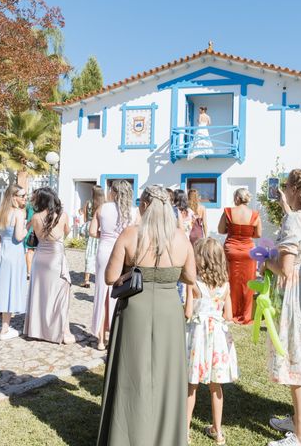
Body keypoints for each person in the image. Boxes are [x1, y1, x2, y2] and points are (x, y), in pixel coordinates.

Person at [97, 185, 196, 446]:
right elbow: (191, 276)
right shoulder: (180, 238)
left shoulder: (131, 235)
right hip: (168, 311)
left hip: (134, 309)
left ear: (143, 205)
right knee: (166, 376)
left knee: (132, 374)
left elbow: (109, 277)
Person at [264, 170, 301, 446]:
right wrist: (284, 207)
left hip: (295, 294)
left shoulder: (294, 220)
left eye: (287, 186)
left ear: (297, 189)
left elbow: (285, 269)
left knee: (297, 361)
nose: (284, 190)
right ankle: (299, 420)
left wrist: (265, 260)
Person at [185, 238, 238, 446]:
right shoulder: (225, 285)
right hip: (216, 338)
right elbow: (229, 315)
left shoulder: (194, 283)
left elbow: (188, 312)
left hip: (198, 337)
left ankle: (185, 430)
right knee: (216, 387)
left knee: (191, 386)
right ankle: (218, 431)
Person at [90, 179, 136, 350]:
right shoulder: (134, 212)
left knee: (102, 292)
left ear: (114, 192)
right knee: (122, 291)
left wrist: (105, 235)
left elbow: (92, 232)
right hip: (124, 253)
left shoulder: (102, 208)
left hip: (105, 250)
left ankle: (100, 340)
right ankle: (116, 335)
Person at [24, 187, 74, 344]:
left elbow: (26, 231)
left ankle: (37, 330)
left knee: (40, 294)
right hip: (55, 259)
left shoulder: (35, 217)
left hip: (39, 259)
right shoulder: (62, 216)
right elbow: (67, 232)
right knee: (60, 296)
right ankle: (62, 331)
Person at [0, 184, 29, 341]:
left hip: (2, 255)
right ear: (13, 197)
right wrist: (28, 226)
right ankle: (5, 330)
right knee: (10, 290)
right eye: (22, 196)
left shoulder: (0, 211)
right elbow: (19, 237)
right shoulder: (18, 213)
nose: (25, 198)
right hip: (14, 255)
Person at [218, 188, 262, 325]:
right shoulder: (254, 215)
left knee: (230, 281)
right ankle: (245, 315)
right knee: (247, 284)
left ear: (237, 198)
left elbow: (220, 230)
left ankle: (229, 313)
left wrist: (231, 230)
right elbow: (258, 234)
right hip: (248, 251)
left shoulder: (228, 212)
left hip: (231, 250)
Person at [83, 185, 104, 287]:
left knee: (89, 253)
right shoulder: (105, 204)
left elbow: (85, 218)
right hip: (101, 230)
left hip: (91, 228)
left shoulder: (88, 203)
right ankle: (99, 278)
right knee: (100, 253)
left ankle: (86, 280)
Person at [24, 195, 37, 279]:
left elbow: (24, 216)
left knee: (29, 251)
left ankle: (28, 272)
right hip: (39, 230)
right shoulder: (42, 205)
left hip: (30, 229)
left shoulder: (29, 205)